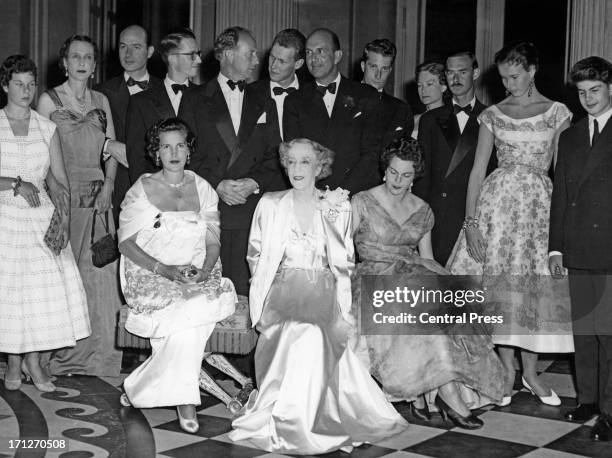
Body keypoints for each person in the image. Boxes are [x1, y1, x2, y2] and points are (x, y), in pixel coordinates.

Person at [229, 138, 408, 454]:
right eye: (292, 161)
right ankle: (281, 411)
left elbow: (346, 259)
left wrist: (344, 306)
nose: (297, 169)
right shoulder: (270, 203)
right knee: (286, 326)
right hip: (282, 285)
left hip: (323, 285)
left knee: (312, 330)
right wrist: (263, 297)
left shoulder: (336, 204)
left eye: (305, 162)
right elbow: (256, 255)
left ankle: (314, 418)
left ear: (319, 166)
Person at [447, 42, 574, 407]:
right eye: (502, 78)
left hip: (537, 210)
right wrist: (471, 223)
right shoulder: (494, 114)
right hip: (496, 210)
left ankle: (531, 373)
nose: (508, 84)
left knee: (532, 289)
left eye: (515, 76)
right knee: (498, 288)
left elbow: (563, 172)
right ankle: (504, 371)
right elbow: (477, 171)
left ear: (532, 71)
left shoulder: (557, 113)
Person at [352, 137, 504, 429]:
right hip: (372, 277)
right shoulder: (361, 201)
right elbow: (343, 250)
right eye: (393, 172)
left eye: (406, 175)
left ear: (414, 177)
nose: (398, 180)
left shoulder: (422, 209)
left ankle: (427, 393)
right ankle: (448, 396)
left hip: (410, 274)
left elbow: (428, 258)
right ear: (384, 170)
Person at [118, 117, 236, 433]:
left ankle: (141, 386)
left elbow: (213, 239)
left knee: (192, 309)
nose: (174, 152)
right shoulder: (141, 190)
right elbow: (126, 244)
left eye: (180, 145)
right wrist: (165, 270)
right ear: (156, 152)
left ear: (188, 150)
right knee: (186, 312)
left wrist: (206, 270)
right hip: (149, 271)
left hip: (197, 270)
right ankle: (186, 399)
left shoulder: (204, 188)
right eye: (166, 146)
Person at [0, 55, 89, 392]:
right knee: (9, 294)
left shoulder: (46, 127)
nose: (26, 90)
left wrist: (64, 220)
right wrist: (13, 183)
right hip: (4, 217)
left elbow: (59, 181)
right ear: (5, 85)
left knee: (42, 293)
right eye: (18, 84)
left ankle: (34, 361)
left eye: (30, 84)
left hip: (40, 217)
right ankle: (12, 362)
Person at [37, 35, 124, 377]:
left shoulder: (102, 99)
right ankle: (60, 354)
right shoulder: (48, 100)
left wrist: (111, 185)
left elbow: (112, 149)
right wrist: (57, 193)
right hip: (62, 196)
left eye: (88, 56)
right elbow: (40, 152)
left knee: (101, 276)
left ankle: (100, 356)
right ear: (65, 62)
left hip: (99, 198)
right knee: (63, 278)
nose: (82, 62)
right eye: (75, 56)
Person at [179, 26, 283, 296]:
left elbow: (276, 155)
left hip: (252, 215)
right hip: (209, 212)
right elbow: (183, 156)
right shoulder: (194, 99)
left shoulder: (264, 99)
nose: (258, 61)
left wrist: (253, 182)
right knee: (207, 296)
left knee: (249, 296)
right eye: (250, 54)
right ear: (226, 55)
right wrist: (217, 184)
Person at [550, 56, 612, 441]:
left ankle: (609, 411)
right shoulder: (570, 136)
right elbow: (561, 196)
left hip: (608, 246)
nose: (587, 99)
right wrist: (556, 248)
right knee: (584, 331)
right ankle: (588, 399)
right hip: (576, 246)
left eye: (595, 91)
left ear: (611, 89)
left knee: (609, 335)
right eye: (582, 93)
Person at [414, 53, 496, 266]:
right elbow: (422, 179)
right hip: (438, 220)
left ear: (475, 73)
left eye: (463, 71)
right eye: (450, 72)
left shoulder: (492, 117)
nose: (456, 78)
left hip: (474, 219)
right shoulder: (430, 120)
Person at [283, 28, 381, 194]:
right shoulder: (295, 101)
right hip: (312, 197)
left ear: (337, 56)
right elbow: (295, 158)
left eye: (320, 51)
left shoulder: (366, 95)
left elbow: (372, 154)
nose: (313, 58)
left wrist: (342, 193)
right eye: (308, 52)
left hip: (356, 195)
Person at [96, 25, 160, 224]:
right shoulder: (101, 92)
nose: (128, 53)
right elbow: (85, 137)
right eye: (123, 47)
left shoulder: (165, 90)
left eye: (136, 47)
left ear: (150, 51)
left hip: (157, 189)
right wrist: (107, 145)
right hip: (117, 189)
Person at [126, 28, 201, 183]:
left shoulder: (206, 98)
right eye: (192, 55)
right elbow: (137, 159)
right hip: (155, 192)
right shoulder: (141, 102)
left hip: (196, 190)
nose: (199, 60)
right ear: (172, 58)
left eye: (198, 54)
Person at [361, 38, 414, 148]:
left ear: (390, 70)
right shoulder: (342, 99)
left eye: (384, 69)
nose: (378, 75)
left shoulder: (401, 110)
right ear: (363, 66)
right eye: (373, 67)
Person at [410, 61, 447, 138]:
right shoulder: (414, 120)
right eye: (420, 85)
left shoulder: (451, 119)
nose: (423, 90)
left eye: (429, 84)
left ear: (443, 87)